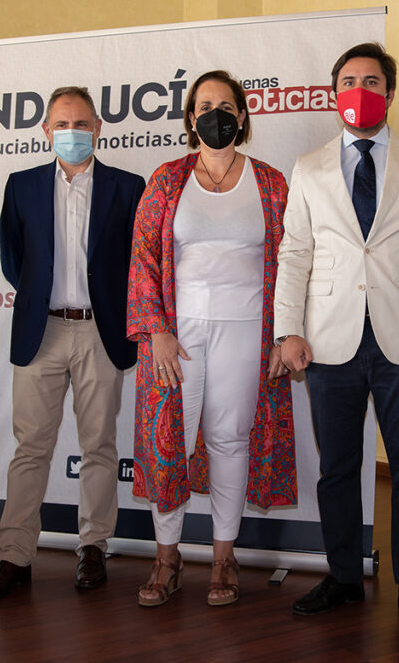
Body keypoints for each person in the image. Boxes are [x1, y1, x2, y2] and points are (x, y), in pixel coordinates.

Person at [274, 42, 399, 628]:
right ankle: (343, 577)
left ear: (390, 92)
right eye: (350, 80)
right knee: (337, 468)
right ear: (335, 95)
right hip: (330, 342)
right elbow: (295, 254)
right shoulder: (308, 168)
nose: (361, 89)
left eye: (372, 80)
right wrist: (288, 330)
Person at [127, 70, 296, 607]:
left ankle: (224, 556)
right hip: (177, 337)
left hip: (249, 333)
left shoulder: (270, 182)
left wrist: (283, 335)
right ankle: (167, 556)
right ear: (189, 117)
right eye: (204, 105)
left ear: (242, 116)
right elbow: (143, 258)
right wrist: (155, 330)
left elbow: (293, 262)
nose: (214, 113)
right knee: (168, 442)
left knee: (230, 439)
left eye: (225, 105)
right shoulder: (167, 178)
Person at [0, 87, 145, 602]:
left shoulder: (127, 186)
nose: (72, 133)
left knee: (99, 445)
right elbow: (15, 260)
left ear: (98, 128)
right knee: (31, 448)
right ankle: (14, 555)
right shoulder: (21, 185)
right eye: (61, 125)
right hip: (41, 331)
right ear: (45, 131)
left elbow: (136, 262)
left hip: (101, 331)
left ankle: (93, 546)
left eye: (82, 124)